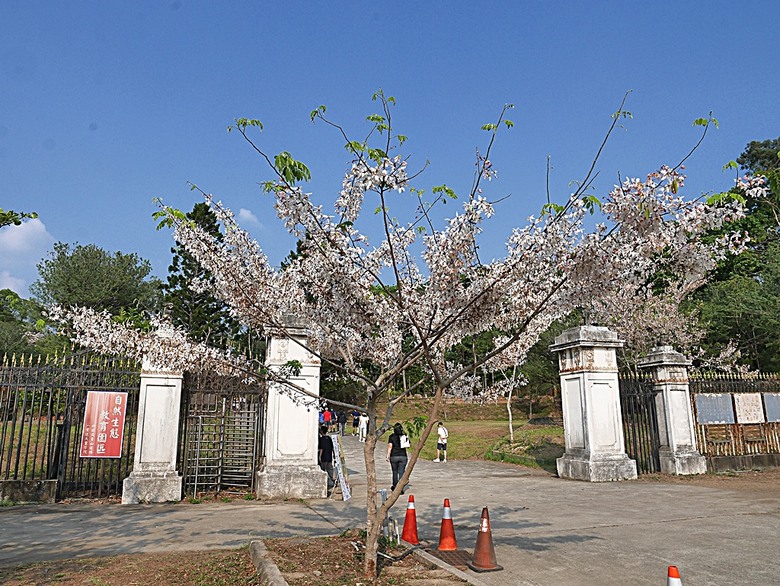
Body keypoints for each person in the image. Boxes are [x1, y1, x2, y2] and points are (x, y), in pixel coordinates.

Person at [386, 422, 408, 493]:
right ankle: (400, 488)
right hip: (403, 455)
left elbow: (390, 446)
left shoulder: (391, 437)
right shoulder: (404, 436)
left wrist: (388, 455)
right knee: (401, 472)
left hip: (394, 456)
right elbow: (407, 445)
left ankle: (395, 486)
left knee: (394, 472)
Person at [318, 425, 336, 495]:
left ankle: (323, 483)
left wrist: (319, 456)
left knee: (323, 470)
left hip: (324, 457)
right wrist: (333, 454)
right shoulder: (329, 438)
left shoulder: (321, 439)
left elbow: (321, 449)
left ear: (322, 431)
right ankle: (334, 482)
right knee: (330, 470)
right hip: (329, 457)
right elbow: (332, 448)